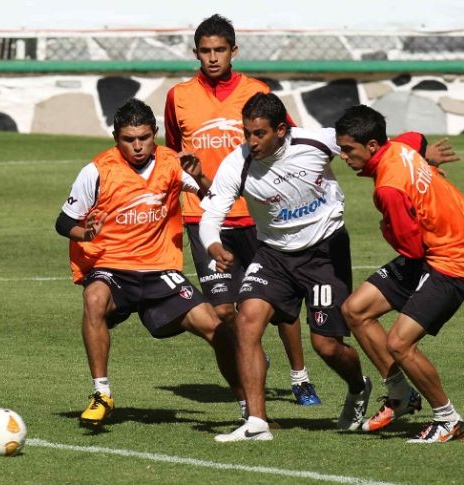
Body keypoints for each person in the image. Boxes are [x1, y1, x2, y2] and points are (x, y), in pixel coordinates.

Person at [195, 92, 373, 441]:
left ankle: (358, 386)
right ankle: (256, 423)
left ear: (281, 129)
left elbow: (373, 147)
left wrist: (418, 156)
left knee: (326, 346)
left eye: (259, 133)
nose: (251, 141)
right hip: (274, 255)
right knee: (247, 322)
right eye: (247, 133)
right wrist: (213, 245)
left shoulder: (317, 141)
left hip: (325, 251)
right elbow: (211, 216)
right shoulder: (237, 163)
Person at [165, 13, 322, 407]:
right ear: (195, 53)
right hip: (203, 214)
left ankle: (300, 377)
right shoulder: (178, 96)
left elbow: (289, 136)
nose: (213, 57)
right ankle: (253, 360)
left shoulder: (256, 91)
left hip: (258, 214)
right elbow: (172, 149)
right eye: (205, 50)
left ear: (233, 51)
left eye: (220, 49)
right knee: (223, 310)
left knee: (282, 308)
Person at [54, 98, 242, 426]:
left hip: (159, 270)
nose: (138, 146)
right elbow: (63, 222)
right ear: (116, 137)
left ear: (154, 133)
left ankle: (249, 407)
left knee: (215, 327)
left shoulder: (172, 162)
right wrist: (86, 233)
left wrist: (201, 177)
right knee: (94, 298)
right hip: (111, 266)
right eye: (129, 139)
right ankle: (101, 394)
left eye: (144, 138)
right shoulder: (97, 171)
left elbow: (214, 200)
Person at [335, 105, 464, 443]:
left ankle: (448, 420)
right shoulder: (399, 146)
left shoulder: (388, 189)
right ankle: (401, 395)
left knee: (399, 342)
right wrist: (427, 158)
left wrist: (386, 227)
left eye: (348, 149)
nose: (343, 156)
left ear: (373, 145)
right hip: (445, 243)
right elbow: (416, 138)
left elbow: (410, 248)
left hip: (453, 257)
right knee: (355, 310)